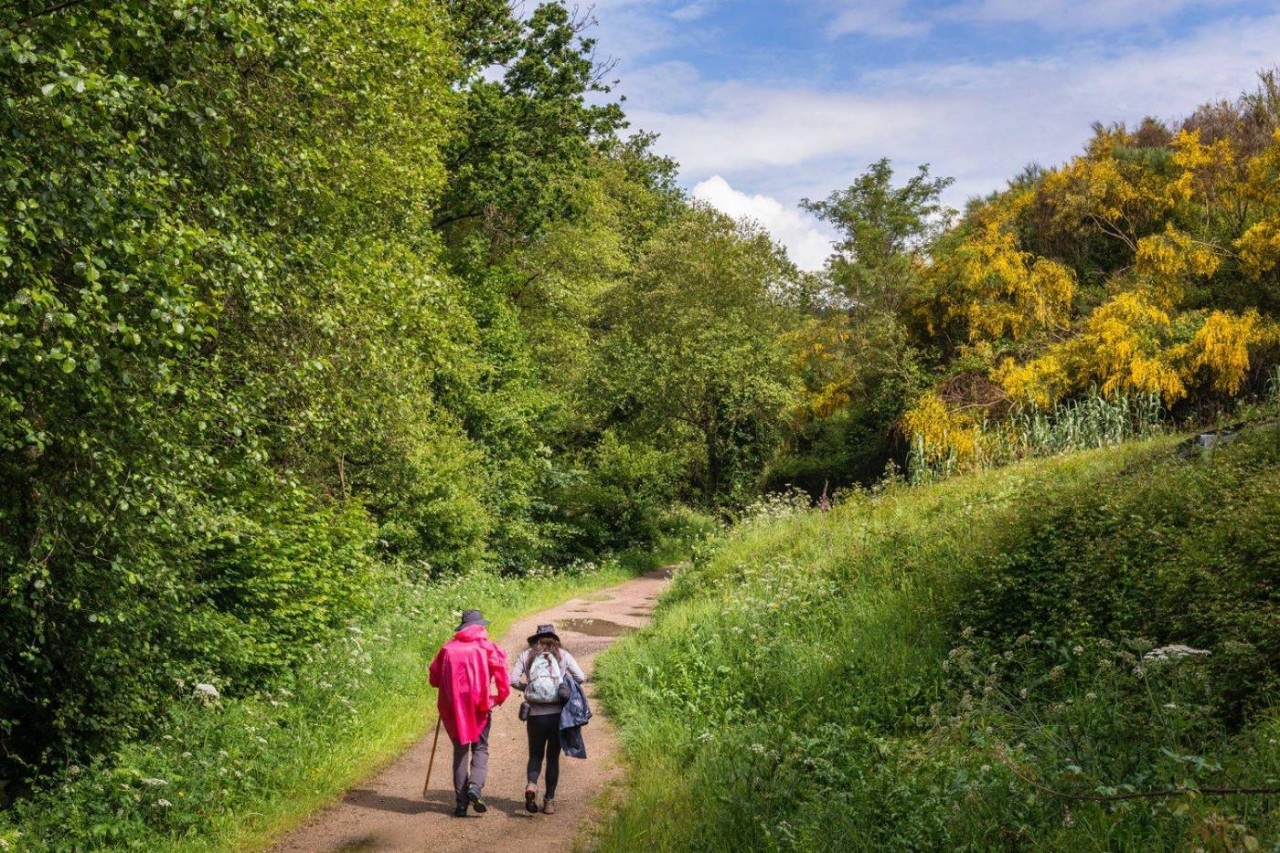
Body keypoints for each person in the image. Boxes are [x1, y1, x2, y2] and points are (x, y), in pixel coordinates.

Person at [428, 609, 510, 818]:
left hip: (455, 710)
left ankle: (461, 805)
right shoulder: (486, 647)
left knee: (460, 752)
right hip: (480, 707)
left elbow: (434, 679)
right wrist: (497, 698)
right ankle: (475, 786)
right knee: (481, 748)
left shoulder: (447, 649)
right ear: (479, 627)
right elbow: (502, 675)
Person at [510, 623, 585, 815]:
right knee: (553, 758)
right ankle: (549, 801)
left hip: (535, 715)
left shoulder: (527, 655)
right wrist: (565, 685)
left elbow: (513, 680)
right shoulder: (562, 655)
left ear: (536, 638)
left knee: (535, 755)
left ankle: (532, 786)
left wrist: (527, 689)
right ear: (554, 638)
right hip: (557, 716)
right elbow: (581, 677)